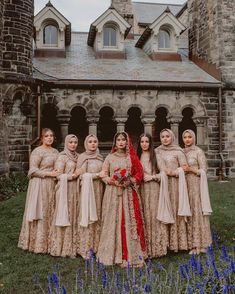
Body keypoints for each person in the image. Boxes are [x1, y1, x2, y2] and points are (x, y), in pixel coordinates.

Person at [97, 131, 146, 267]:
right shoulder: (110, 158)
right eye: (118, 139)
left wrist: (129, 180)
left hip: (128, 192)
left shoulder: (132, 158)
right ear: (115, 142)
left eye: (123, 140)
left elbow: (139, 174)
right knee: (113, 220)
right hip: (113, 193)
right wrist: (113, 181)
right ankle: (112, 255)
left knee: (129, 220)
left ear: (127, 142)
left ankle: (130, 255)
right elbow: (103, 174)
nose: (121, 142)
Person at [18, 128, 59, 253]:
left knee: (50, 209)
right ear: (42, 138)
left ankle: (49, 241)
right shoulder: (37, 151)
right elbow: (33, 170)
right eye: (46, 136)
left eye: (51, 135)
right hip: (40, 184)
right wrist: (49, 174)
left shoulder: (56, 151)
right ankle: (37, 243)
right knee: (40, 210)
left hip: (52, 184)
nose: (49, 138)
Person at [155, 129, 191, 252]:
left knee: (175, 208)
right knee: (163, 208)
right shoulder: (157, 151)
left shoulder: (178, 151)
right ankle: (164, 243)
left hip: (175, 184)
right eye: (162, 136)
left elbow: (185, 167)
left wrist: (175, 172)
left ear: (172, 137)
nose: (165, 139)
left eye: (167, 136)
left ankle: (176, 243)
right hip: (161, 184)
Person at [137, 133, 170, 258]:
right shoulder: (136, 156)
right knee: (143, 215)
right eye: (142, 142)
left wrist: (152, 177)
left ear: (150, 143)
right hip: (141, 189)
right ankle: (144, 248)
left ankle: (157, 248)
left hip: (154, 189)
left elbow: (163, 173)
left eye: (147, 142)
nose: (144, 144)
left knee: (153, 215)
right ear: (139, 144)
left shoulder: (156, 156)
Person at [48, 134, 79, 257]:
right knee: (64, 212)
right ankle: (61, 246)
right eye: (71, 142)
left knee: (74, 213)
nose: (73, 144)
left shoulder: (78, 157)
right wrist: (71, 176)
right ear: (66, 143)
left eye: (75, 142)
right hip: (64, 188)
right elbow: (58, 175)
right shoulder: (62, 157)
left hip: (75, 189)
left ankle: (73, 245)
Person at [182, 129, 212, 254]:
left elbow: (204, 170)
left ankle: (200, 244)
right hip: (184, 185)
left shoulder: (198, 152)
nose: (187, 139)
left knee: (196, 211)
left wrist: (191, 169)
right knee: (187, 212)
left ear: (194, 138)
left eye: (190, 137)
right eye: (185, 137)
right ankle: (189, 243)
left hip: (195, 184)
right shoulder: (181, 152)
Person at [76, 134, 104, 259]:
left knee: (98, 214)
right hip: (87, 191)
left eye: (95, 142)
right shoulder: (82, 158)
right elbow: (81, 175)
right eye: (90, 142)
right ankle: (86, 247)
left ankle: (97, 246)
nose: (93, 144)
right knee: (87, 215)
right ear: (86, 144)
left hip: (98, 190)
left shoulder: (100, 158)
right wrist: (97, 175)